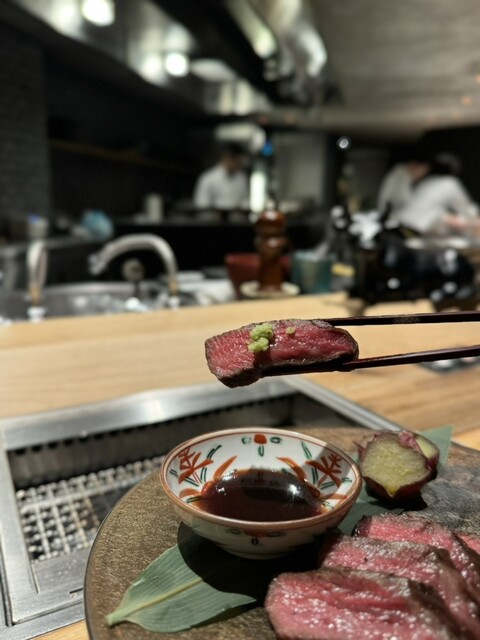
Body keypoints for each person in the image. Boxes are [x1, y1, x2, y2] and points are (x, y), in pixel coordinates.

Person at [392, 153, 480, 236]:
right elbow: (467, 210)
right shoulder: (449, 182)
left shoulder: (426, 181)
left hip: (398, 224)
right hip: (415, 228)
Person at [193, 143, 249, 210]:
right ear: (226, 157)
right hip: (213, 216)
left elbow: (245, 200)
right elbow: (201, 203)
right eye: (235, 159)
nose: (238, 162)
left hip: (236, 216)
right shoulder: (208, 178)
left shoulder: (242, 178)